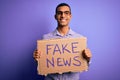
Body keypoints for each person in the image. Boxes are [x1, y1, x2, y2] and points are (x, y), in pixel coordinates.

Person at [33, 3, 92, 80]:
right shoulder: (46, 39)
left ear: (70, 16)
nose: (63, 16)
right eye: (59, 13)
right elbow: (43, 65)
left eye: (66, 13)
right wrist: (37, 59)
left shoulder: (79, 39)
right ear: (55, 16)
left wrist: (88, 58)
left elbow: (85, 65)